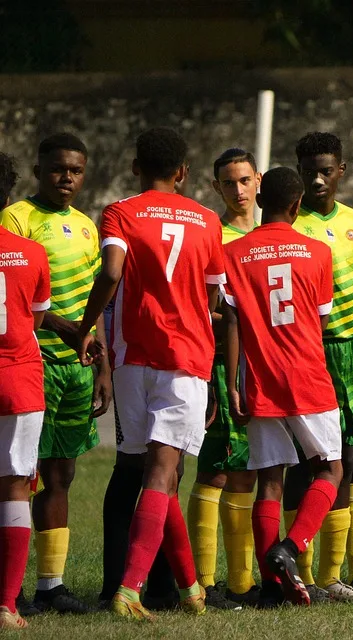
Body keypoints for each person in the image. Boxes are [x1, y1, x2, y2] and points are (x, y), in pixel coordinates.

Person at [75, 127, 225, 619]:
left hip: (133, 357)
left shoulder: (120, 211)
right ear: (183, 172)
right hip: (185, 357)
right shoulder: (206, 220)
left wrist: (84, 326)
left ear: (135, 166)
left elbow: (112, 272)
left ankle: (190, 590)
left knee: (154, 473)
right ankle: (130, 589)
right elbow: (212, 297)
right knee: (165, 473)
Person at [221, 166, 342, 608]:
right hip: (308, 375)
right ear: (296, 205)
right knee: (330, 469)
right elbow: (322, 319)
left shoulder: (235, 253)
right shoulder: (317, 251)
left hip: (260, 375)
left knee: (269, 479)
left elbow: (231, 320)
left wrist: (235, 384)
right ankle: (289, 549)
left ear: (259, 199)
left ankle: (271, 588)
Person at [0, 134, 110, 615]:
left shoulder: (87, 227)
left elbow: (97, 297)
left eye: (77, 171)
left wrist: (102, 360)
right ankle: (13, 587)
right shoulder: (17, 219)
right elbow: (22, 299)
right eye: (58, 169)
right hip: (32, 361)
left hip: (76, 367)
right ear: (40, 169)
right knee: (19, 477)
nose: (67, 178)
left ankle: (51, 584)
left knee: (61, 473)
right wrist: (71, 331)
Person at [289, 131, 353, 603]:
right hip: (309, 352)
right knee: (307, 466)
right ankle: (298, 572)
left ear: (342, 171)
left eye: (327, 170)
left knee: (341, 463)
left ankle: (331, 576)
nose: (319, 179)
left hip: (350, 352)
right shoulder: (292, 223)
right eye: (310, 172)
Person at [186, 148, 262, 609]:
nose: (238, 191)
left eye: (244, 181)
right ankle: (207, 581)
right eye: (228, 183)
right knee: (215, 470)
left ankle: (240, 582)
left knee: (250, 474)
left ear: (258, 181)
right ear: (216, 187)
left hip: (267, 364)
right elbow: (203, 305)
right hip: (220, 364)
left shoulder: (275, 233)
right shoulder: (211, 235)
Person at [0, 152, 52, 630]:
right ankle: (8, 604)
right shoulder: (31, 252)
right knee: (16, 487)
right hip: (17, 378)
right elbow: (34, 319)